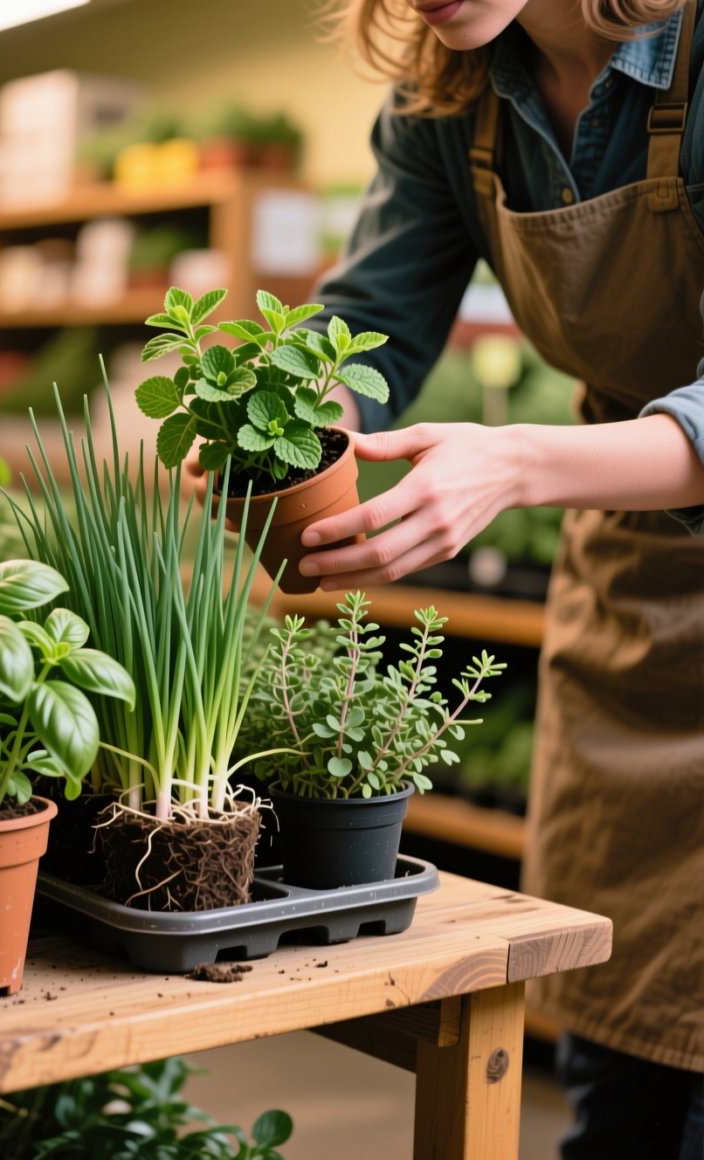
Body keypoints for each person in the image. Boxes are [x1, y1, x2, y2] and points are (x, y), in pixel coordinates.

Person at [288, 1, 704, 1155]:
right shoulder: (449, 95)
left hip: (584, 482)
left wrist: (516, 462)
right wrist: (286, 433)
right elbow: (366, 322)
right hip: (629, 587)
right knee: (616, 1076)